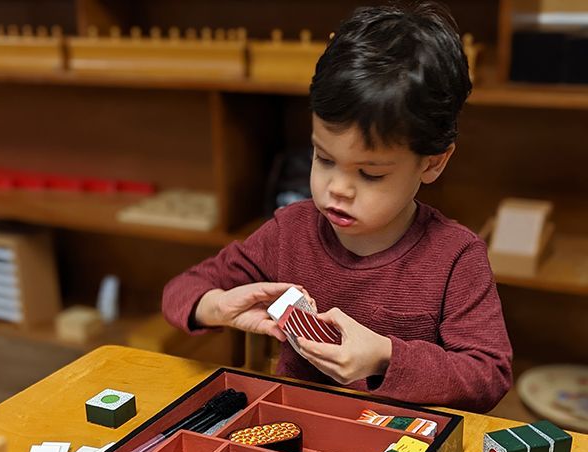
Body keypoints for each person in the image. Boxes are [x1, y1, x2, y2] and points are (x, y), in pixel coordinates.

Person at [162, 2, 512, 412]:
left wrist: (385, 355)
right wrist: (217, 307)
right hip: (297, 427)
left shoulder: (456, 257)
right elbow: (180, 292)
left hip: (399, 443)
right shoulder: (289, 230)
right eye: (324, 159)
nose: (338, 189)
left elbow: (489, 375)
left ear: (432, 162)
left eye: (370, 173)